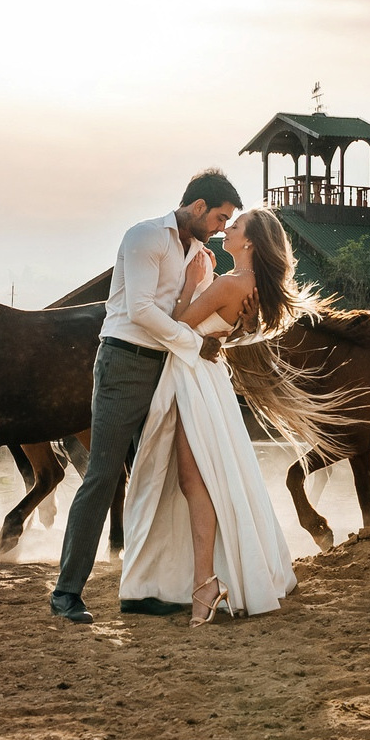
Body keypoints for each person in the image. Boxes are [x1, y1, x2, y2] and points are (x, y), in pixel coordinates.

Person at [49, 169, 243, 625]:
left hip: (170, 368)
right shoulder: (144, 237)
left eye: (227, 222)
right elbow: (139, 309)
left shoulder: (198, 253)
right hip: (125, 363)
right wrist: (194, 343)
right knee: (102, 476)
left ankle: (148, 589)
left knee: (163, 477)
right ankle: (66, 593)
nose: (220, 228)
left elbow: (189, 309)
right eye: (219, 217)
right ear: (197, 207)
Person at [117, 206, 311, 624]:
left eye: (234, 227)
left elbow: (176, 324)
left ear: (250, 242)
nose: (226, 231)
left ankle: (205, 582)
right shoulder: (254, 286)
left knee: (194, 479)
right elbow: (229, 332)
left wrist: (188, 284)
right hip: (208, 379)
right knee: (207, 477)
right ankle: (207, 578)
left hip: (193, 380)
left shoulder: (230, 283)